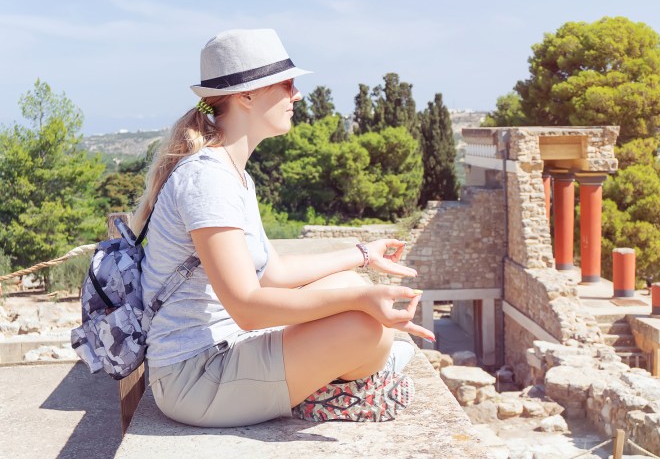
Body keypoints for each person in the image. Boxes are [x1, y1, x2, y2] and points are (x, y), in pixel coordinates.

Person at [131, 29, 435, 428]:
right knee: (367, 328)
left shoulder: (232, 173)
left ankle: (339, 373)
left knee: (345, 283)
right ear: (247, 95)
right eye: (288, 84)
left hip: (222, 353)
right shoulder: (208, 179)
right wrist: (362, 300)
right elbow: (247, 308)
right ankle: (340, 384)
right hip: (197, 378)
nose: (297, 95)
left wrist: (362, 255)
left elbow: (274, 274)